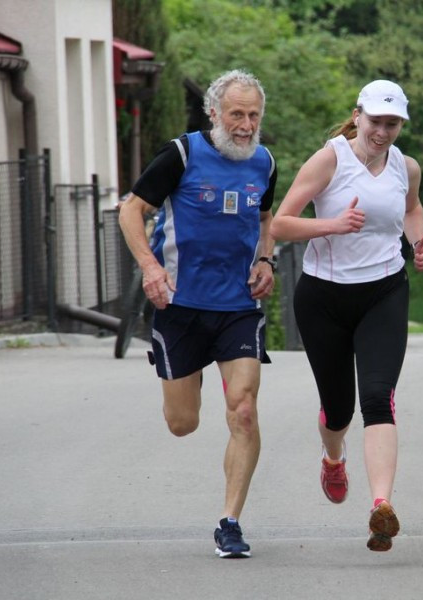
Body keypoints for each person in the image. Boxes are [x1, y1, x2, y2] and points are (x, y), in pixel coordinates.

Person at [118, 69, 277, 559]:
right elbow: (131, 210)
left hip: (238, 308)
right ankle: (193, 370)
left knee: (244, 410)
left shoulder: (265, 162)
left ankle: (230, 522)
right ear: (214, 113)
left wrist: (266, 260)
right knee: (182, 423)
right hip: (179, 305)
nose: (246, 126)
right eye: (236, 114)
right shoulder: (182, 154)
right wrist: (150, 268)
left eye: (253, 115)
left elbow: (266, 218)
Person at [270, 79, 423, 552]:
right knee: (339, 409)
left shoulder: (406, 167)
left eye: (392, 124)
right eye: (376, 121)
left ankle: (381, 507)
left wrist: (418, 243)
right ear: (358, 116)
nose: (382, 132)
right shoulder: (330, 160)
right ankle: (333, 457)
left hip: (384, 292)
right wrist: (334, 225)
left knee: (379, 398)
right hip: (324, 297)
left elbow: (412, 209)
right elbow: (280, 224)